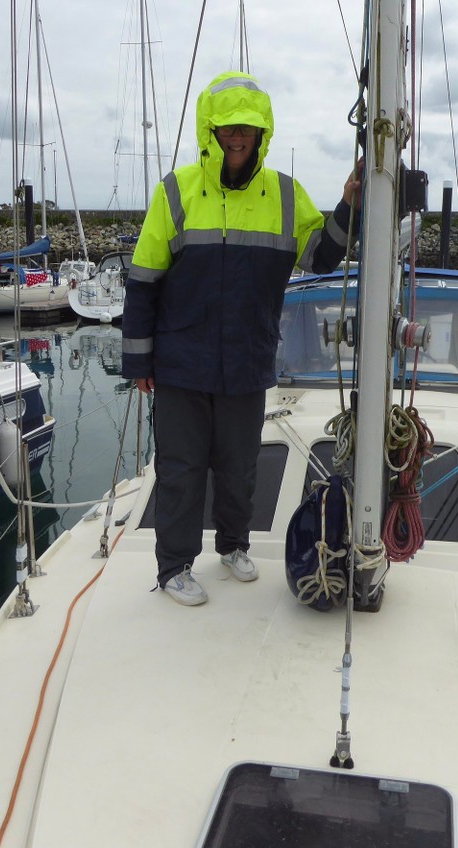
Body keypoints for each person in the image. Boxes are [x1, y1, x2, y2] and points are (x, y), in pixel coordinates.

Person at [121, 71, 361, 606]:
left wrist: (348, 207)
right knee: (181, 471)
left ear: (261, 134)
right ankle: (174, 567)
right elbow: (143, 280)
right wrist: (139, 362)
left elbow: (321, 254)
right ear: (212, 129)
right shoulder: (175, 192)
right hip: (182, 363)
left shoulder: (284, 193)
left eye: (247, 129)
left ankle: (233, 546)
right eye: (228, 127)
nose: (237, 137)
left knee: (239, 468)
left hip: (248, 361)